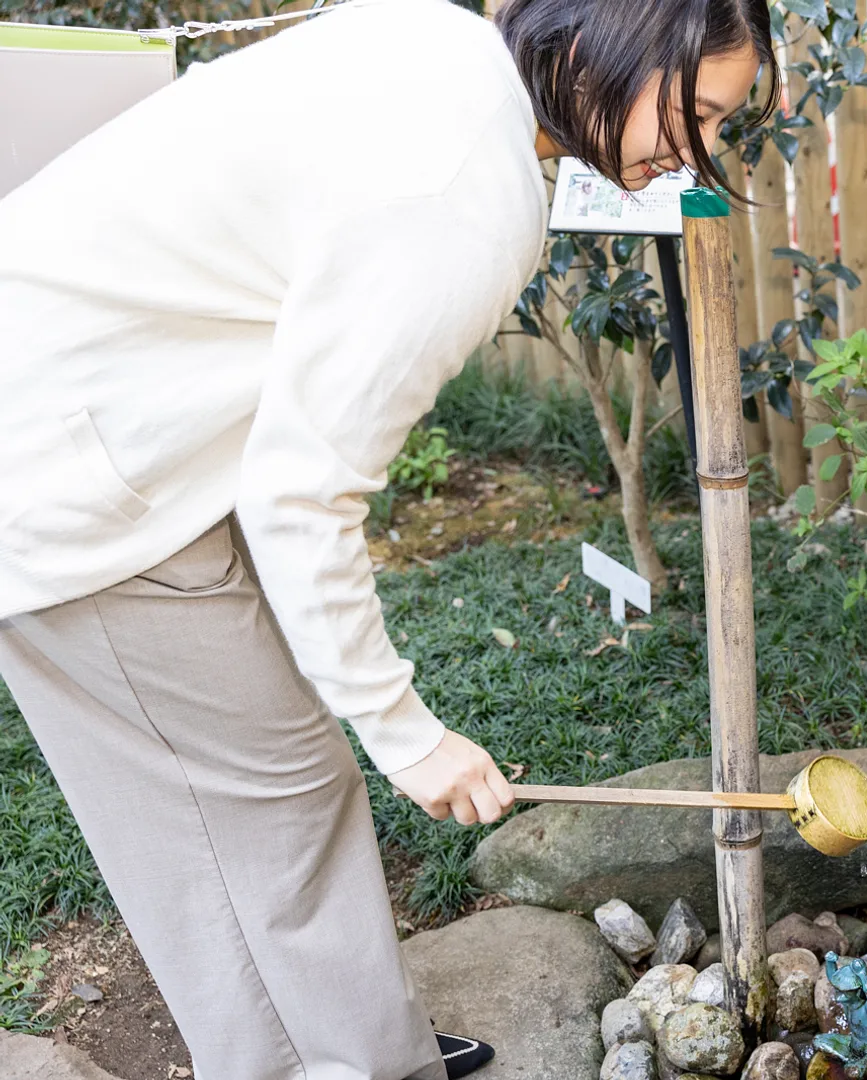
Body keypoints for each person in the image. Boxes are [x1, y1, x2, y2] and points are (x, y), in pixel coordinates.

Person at [0, 0, 774, 1075]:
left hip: (100, 416)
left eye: (718, 122)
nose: (693, 151)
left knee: (251, 803)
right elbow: (300, 494)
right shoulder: (465, 195)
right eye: (687, 110)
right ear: (601, 41)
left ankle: (359, 1050)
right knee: (260, 807)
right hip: (65, 472)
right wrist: (405, 731)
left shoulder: (442, 41)